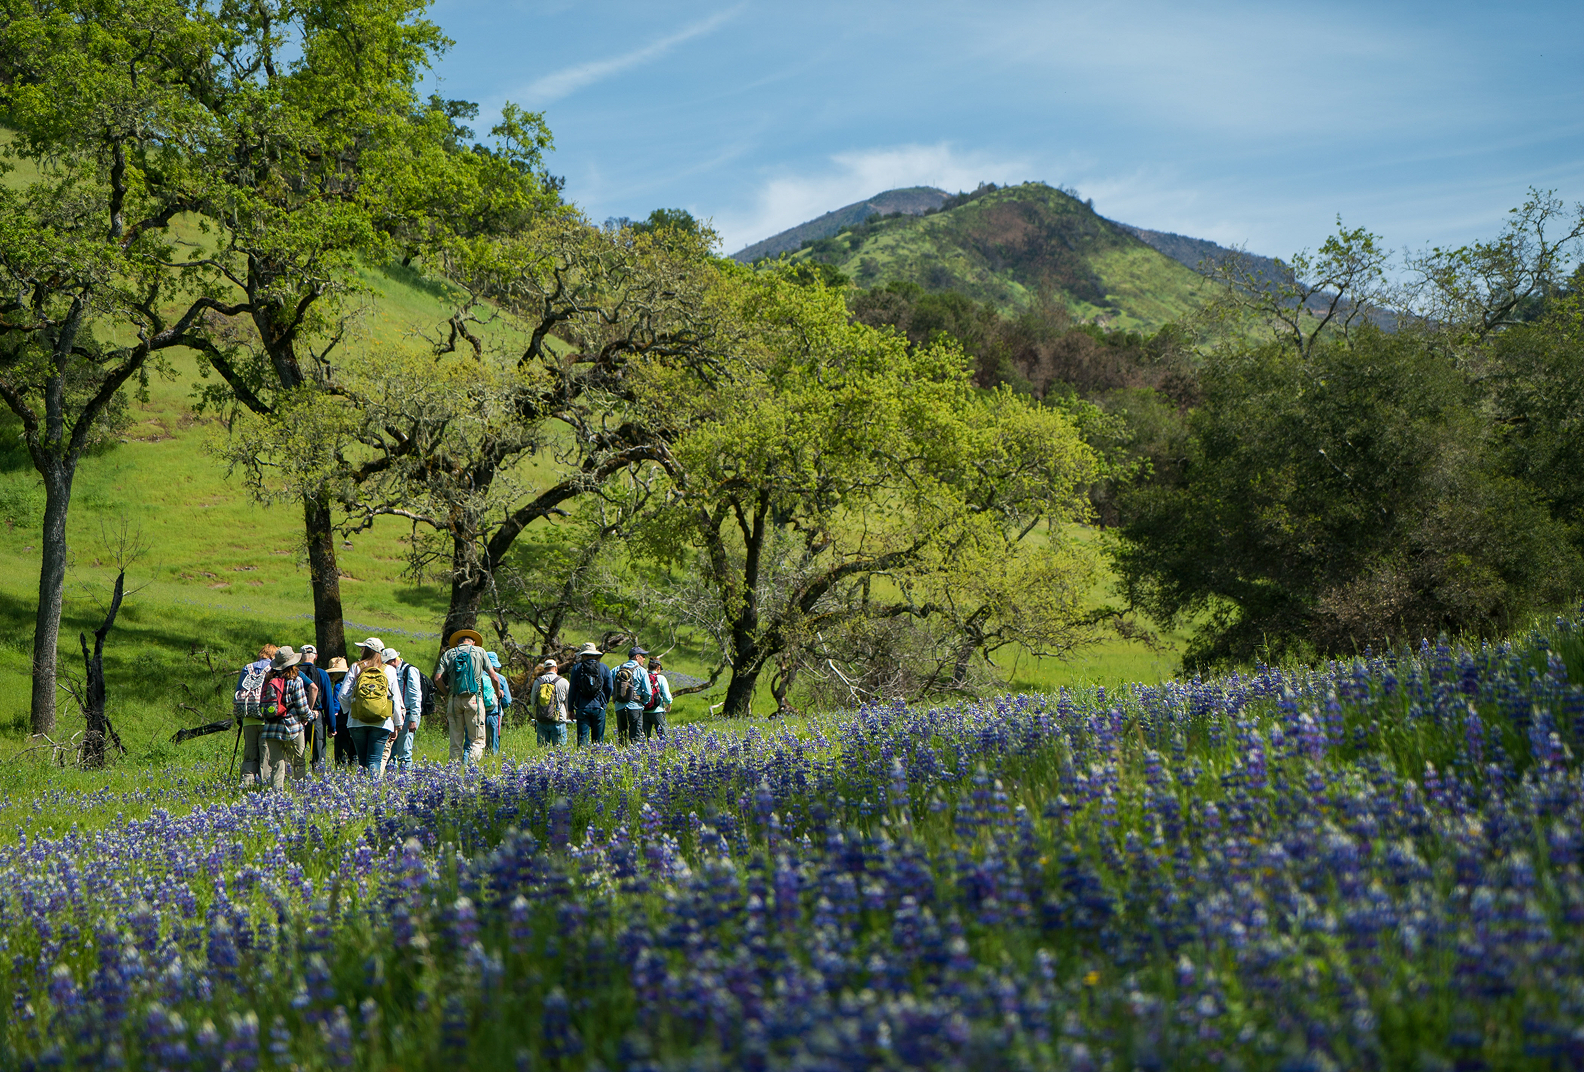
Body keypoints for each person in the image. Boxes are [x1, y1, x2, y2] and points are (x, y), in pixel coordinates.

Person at [433, 629, 504, 766]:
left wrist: (448, 693)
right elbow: (494, 678)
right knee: (476, 740)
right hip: (474, 699)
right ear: (474, 642)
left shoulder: (448, 654)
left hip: (454, 700)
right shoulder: (480, 652)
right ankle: (471, 770)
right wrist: (497, 693)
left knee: (455, 742)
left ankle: (454, 773)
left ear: (458, 642)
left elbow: (437, 679)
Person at [336, 636, 404, 777]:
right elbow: (396, 700)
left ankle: (363, 791)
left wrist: (353, 710)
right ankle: (373, 790)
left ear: (368, 651)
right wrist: (397, 724)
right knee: (375, 759)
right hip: (382, 721)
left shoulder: (356, 667)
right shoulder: (389, 670)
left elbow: (342, 695)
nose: (360, 652)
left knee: (362, 761)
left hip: (357, 721)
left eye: (363, 649)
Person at [258, 646, 316, 792]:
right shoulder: (295, 681)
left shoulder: (269, 680)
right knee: (298, 762)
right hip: (292, 728)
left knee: (276, 764)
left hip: (271, 728)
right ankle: (300, 793)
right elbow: (303, 709)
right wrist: (312, 715)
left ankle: (277, 794)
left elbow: (261, 705)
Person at [233, 643, 278, 787]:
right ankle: (263, 788)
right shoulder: (272, 669)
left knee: (250, 756)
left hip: (247, 719)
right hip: (266, 720)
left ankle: (246, 785)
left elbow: (238, 691)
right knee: (266, 757)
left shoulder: (248, 668)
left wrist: (240, 717)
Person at [383, 647, 424, 772]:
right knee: (390, 752)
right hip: (394, 716)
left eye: (388, 663)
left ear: (394, 660)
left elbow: (416, 696)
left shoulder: (410, 671)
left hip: (408, 716)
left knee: (404, 753)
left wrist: (413, 719)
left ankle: (405, 780)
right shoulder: (391, 671)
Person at [566, 642, 613, 746]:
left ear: (583, 655)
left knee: (582, 740)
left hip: (582, 707)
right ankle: (596, 759)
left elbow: (572, 689)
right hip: (599, 707)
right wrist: (604, 702)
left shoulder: (577, 668)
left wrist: (570, 709)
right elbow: (609, 687)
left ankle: (583, 760)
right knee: (598, 741)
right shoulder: (604, 668)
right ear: (595, 654)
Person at [299, 643, 337, 771]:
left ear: (300, 657)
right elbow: (328, 702)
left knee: (297, 751)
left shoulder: (294, 673)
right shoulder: (322, 673)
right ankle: (318, 777)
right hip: (316, 716)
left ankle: (296, 776)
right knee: (318, 752)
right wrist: (332, 726)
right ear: (315, 656)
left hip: (297, 716)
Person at [613, 645, 653, 744]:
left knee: (622, 735)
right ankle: (634, 756)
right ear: (637, 657)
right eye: (643, 656)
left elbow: (608, 684)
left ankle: (622, 755)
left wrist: (614, 697)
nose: (644, 659)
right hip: (635, 706)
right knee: (635, 736)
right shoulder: (642, 670)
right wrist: (644, 701)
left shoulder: (616, 669)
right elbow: (648, 691)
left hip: (619, 706)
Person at [529, 657, 570, 747]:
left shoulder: (538, 681)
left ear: (544, 670)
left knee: (542, 750)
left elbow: (533, 701)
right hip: (558, 719)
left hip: (542, 719)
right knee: (560, 752)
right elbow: (569, 701)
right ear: (556, 668)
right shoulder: (563, 682)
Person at [324, 656, 354, 765]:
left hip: (341, 721)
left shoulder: (338, 686)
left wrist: (332, 724)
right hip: (353, 719)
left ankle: (341, 768)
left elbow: (336, 707)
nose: (331, 677)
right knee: (353, 751)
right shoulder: (352, 683)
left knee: (341, 750)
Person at [483, 651, 512, 756]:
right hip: (494, 713)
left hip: (476, 713)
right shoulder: (501, 679)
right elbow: (507, 701)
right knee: (493, 742)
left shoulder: (475, 676)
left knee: (477, 742)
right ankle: (492, 761)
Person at [643, 656, 674, 740]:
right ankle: (663, 751)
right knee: (664, 735)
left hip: (644, 710)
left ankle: (646, 752)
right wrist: (669, 703)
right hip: (657, 710)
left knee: (645, 737)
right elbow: (666, 695)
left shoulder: (643, 677)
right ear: (658, 667)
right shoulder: (661, 678)